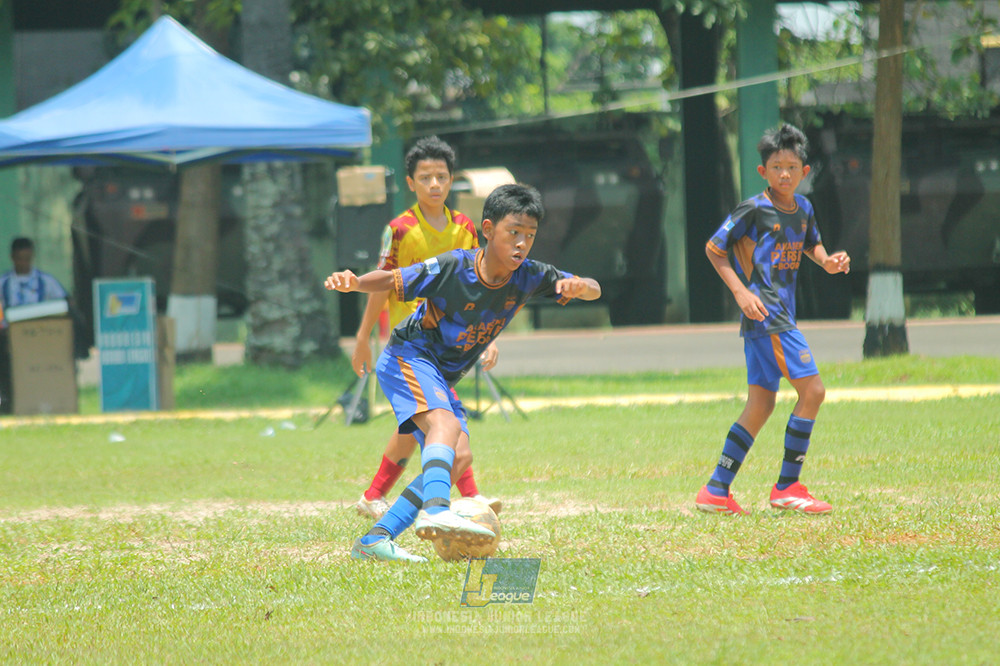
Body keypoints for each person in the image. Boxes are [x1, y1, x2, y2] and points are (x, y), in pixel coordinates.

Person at [325, 183, 601, 561]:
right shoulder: (453, 267)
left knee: (458, 459)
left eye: (530, 236)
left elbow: (594, 288)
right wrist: (355, 282)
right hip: (408, 356)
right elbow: (392, 279)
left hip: (439, 375)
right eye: (513, 232)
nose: (522, 243)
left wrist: (581, 286)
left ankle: (375, 539)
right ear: (487, 229)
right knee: (445, 425)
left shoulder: (530, 276)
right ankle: (437, 509)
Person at [695, 123, 851, 516]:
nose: (784, 174)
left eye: (792, 167)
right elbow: (714, 249)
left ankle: (716, 489)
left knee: (761, 404)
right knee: (813, 392)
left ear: (805, 172)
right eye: (777, 167)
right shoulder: (753, 209)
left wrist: (828, 261)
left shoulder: (805, 209)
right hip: (768, 315)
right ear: (763, 171)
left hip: (772, 319)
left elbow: (812, 244)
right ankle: (787, 486)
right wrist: (740, 292)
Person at [350, 136, 501, 521]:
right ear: (410, 183)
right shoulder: (399, 229)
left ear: (452, 180)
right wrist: (363, 338)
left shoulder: (464, 228)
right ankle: (469, 498)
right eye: (425, 177)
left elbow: (478, 289)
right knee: (445, 426)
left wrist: (486, 338)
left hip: (446, 349)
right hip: (412, 350)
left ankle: (372, 497)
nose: (435, 184)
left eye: (442, 177)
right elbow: (381, 286)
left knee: (417, 424)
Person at [0, 237, 72, 413]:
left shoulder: (45, 280)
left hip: (40, 336)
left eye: (28, 258)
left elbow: (65, 302)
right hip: (10, 337)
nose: (24, 263)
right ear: (12, 258)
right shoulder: (4, 282)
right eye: (20, 259)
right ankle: (8, 402)